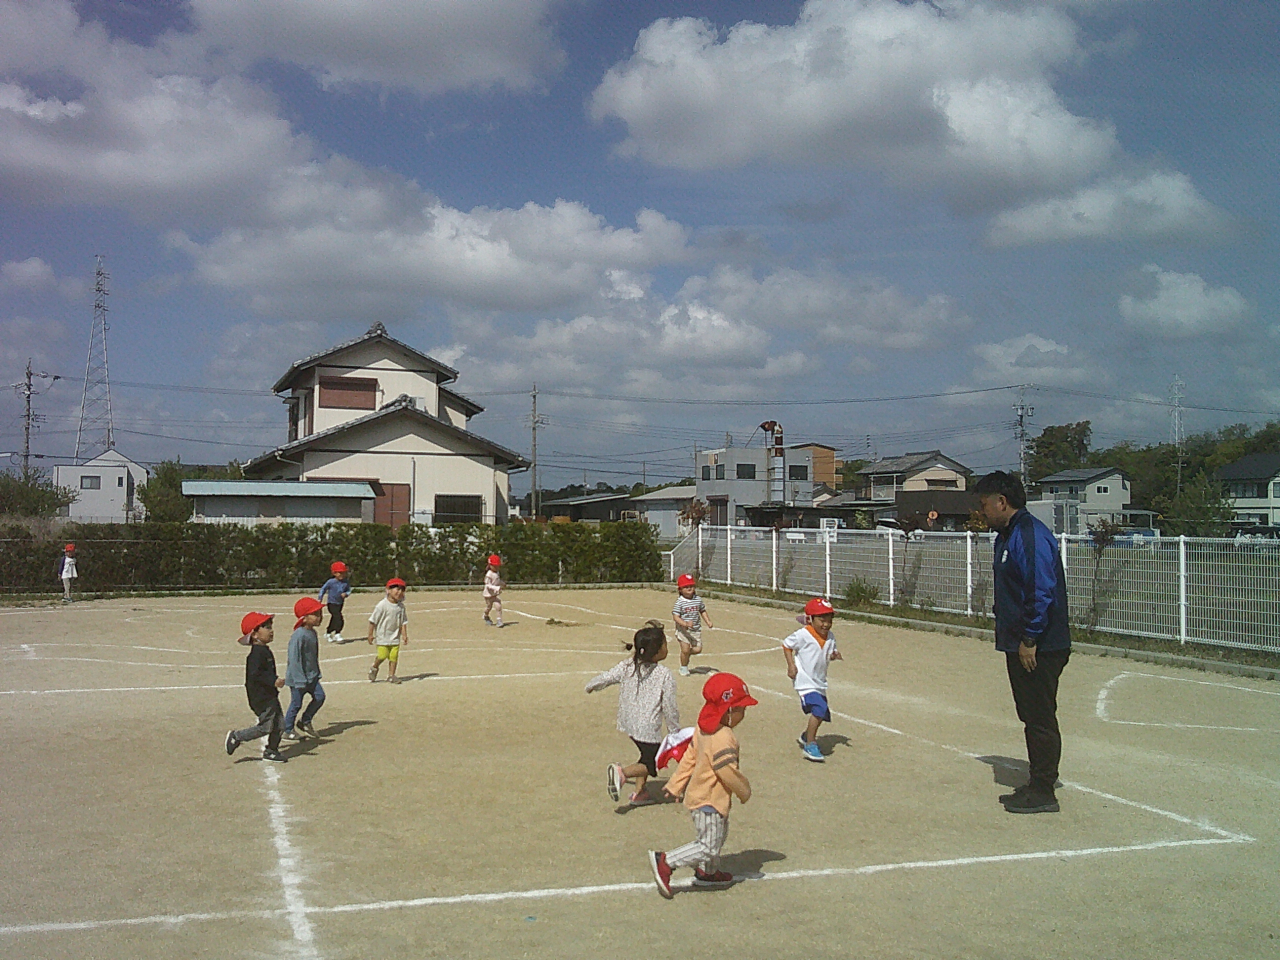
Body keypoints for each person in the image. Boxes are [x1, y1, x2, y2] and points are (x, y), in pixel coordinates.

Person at [974, 470, 1072, 815]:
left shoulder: (1028, 534)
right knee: (1030, 713)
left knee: (1040, 715)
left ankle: (1044, 790)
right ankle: (1037, 781)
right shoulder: (1007, 535)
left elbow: (1039, 589)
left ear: (1002, 502)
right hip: (1019, 642)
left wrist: (1030, 637)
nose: (982, 512)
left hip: (1040, 645)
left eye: (985, 505)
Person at [647, 672, 756, 899]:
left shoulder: (704, 727)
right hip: (710, 799)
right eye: (741, 709)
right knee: (708, 846)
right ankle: (666, 861)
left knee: (718, 836)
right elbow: (726, 771)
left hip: (702, 795)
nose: (744, 715)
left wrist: (676, 784)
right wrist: (744, 791)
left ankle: (708, 872)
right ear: (728, 711)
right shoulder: (724, 737)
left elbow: (690, 756)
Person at [585, 620, 680, 806]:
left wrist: (591, 685)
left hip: (628, 722)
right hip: (647, 727)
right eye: (665, 645)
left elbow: (608, 677)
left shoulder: (628, 665)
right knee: (653, 763)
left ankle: (640, 793)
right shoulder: (664, 674)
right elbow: (670, 707)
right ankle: (622, 773)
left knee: (645, 755)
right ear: (657, 651)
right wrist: (674, 731)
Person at [783, 597, 844, 763]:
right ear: (810, 619)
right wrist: (791, 666)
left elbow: (827, 654)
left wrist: (833, 656)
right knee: (818, 708)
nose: (826, 624)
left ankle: (805, 736)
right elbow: (787, 645)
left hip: (819, 681)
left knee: (822, 713)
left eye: (829, 621)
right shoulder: (803, 635)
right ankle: (810, 744)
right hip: (804, 680)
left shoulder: (830, 637)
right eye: (822, 620)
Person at [225, 612, 288, 762]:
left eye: (271, 627)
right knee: (266, 727)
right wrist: (273, 680)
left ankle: (271, 750)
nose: (271, 631)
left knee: (279, 724)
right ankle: (237, 736)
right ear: (254, 634)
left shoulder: (264, 650)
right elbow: (256, 674)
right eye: (266, 627)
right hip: (261, 697)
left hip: (270, 695)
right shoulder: (256, 654)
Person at [283, 597, 326, 741]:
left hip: (311, 676)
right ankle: (287, 729)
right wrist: (299, 679)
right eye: (316, 614)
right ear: (304, 618)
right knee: (296, 704)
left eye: (320, 613)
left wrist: (316, 673)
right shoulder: (299, 635)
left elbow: (313, 657)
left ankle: (305, 720)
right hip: (298, 679)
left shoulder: (312, 633)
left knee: (320, 697)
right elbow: (294, 658)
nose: (320, 617)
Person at [367, 577, 409, 684]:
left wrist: (404, 635)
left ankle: (391, 675)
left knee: (393, 657)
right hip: (383, 636)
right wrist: (370, 634)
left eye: (402, 590)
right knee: (382, 655)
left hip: (395, 636)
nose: (399, 592)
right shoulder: (382, 605)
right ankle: (375, 667)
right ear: (388, 590)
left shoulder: (401, 607)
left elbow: (403, 622)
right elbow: (372, 621)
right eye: (397, 589)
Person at [671, 574, 714, 677]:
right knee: (685, 649)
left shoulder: (698, 599)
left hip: (695, 630)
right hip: (683, 631)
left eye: (691, 586)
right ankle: (683, 667)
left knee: (698, 649)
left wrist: (708, 621)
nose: (689, 588)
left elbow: (702, 610)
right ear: (680, 590)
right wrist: (685, 624)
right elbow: (675, 616)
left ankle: (685, 655)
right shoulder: (680, 602)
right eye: (686, 587)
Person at [317, 561, 352, 643]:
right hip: (331, 603)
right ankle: (337, 633)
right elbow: (323, 589)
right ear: (334, 573)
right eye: (340, 573)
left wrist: (346, 594)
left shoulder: (346, 582)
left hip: (340, 603)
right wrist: (320, 598)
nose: (342, 575)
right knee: (339, 618)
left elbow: (348, 590)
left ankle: (328, 632)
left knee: (334, 618)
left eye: (343, 573)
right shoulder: (331, 582)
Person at [482, 554, 504, 627]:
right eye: (495, 566)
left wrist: (502, 583)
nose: (497, 567)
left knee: (498, 606)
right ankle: (485, 615)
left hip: (494, 594)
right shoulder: (489, 574)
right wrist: (496, 588)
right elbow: (487, 585)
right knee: (489, 607)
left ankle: (499, 620)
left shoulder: (497, 573)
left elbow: (497, 580)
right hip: (488, 595)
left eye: (498, 566)